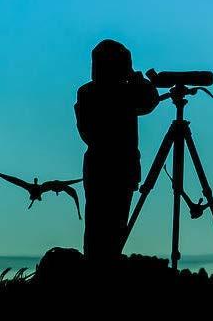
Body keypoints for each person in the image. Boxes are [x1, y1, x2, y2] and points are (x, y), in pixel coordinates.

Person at [75, 39, 159, 262]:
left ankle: (96, 268)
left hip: (97, 168)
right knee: (114, 230)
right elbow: (150, 100)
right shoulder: (126, 93)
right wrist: (137, 77)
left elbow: (85, 133)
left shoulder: (86, 93)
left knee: (96, 229)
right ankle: (106, 269)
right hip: (122, 169)